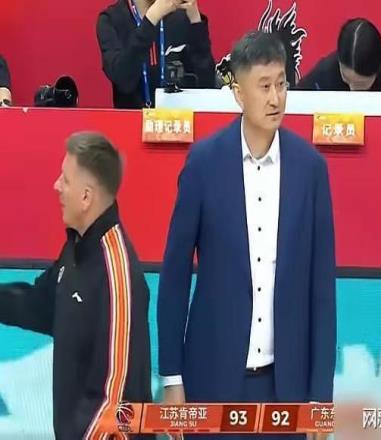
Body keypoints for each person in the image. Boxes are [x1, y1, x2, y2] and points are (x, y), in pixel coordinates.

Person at [157, 31, 336, 440]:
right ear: (238, 93)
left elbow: (322, 289)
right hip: (211, 381)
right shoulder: (203, 163)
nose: (276, 98)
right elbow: (175, 275)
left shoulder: (310, 170)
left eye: (282, 84)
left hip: (287, 389)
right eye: (264, 86)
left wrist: (320, 397)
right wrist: (172, 377)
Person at [0, 133, 152, 439]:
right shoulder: (76, 248)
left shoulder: (118, 274)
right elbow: (39, 305)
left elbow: (113, 404)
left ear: (86, 197)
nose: (56, 186)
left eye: (65, 180)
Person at [97, 0, 216, 108]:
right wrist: (151, 19)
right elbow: (123, 80)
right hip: (131, 120)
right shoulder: (110, 20)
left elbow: (207, 83)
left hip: (180, 119)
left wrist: (195, 21)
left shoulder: (183, 16)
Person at [297, 18, 381, 91]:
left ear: (379, 68)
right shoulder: (327, 70)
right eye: (346, 79)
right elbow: (296, 100)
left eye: (361, 84)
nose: (352, 89)